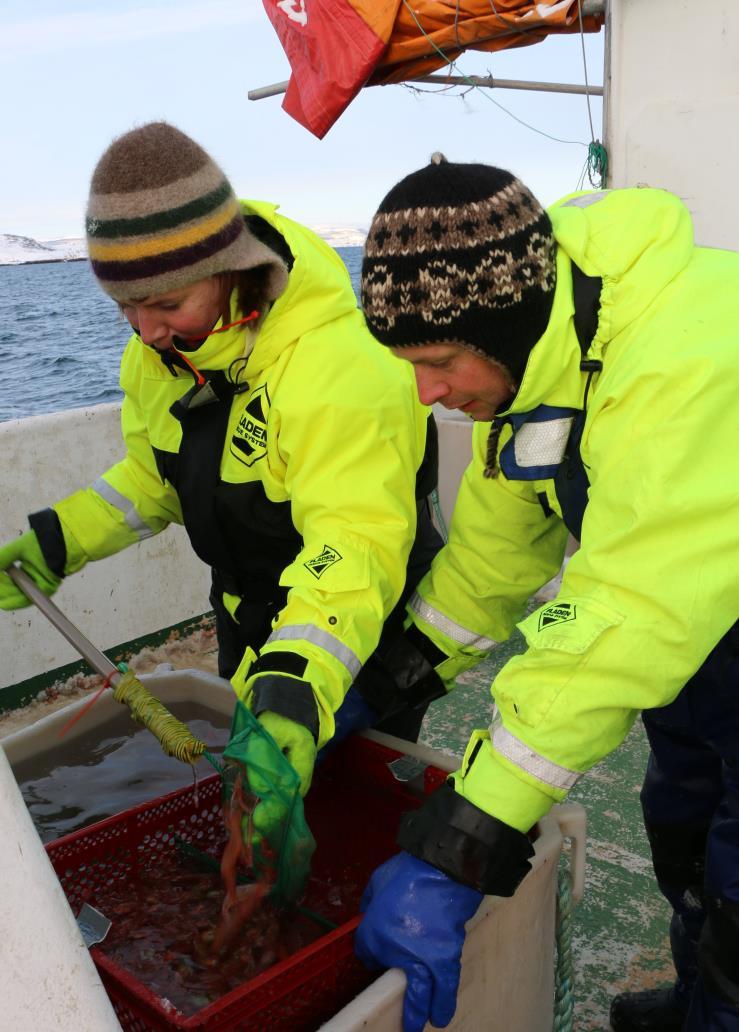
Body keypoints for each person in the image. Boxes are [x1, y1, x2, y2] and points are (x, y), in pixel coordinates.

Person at [353, 154, 739, 1032]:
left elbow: (627, 613)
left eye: (440, 361)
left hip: (683, 614)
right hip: (693, 651)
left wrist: (461, 840)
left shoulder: (687, 351)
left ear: (506, 321)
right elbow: (493, 556)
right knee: (683, 836)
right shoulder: (537, 370)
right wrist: (390, 676)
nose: (428, 395)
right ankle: (690, 1005)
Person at [0, 122, 445, 825]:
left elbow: (356, 539)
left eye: (167, 305)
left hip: (357, 636)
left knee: (349, 815)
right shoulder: (155, 360)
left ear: (232, 272)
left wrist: (296, 682)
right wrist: (61, 541)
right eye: (125, 307)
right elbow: (157, 480)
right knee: (253, 816)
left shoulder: (342, 372)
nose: (145, 331)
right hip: (247, 621)